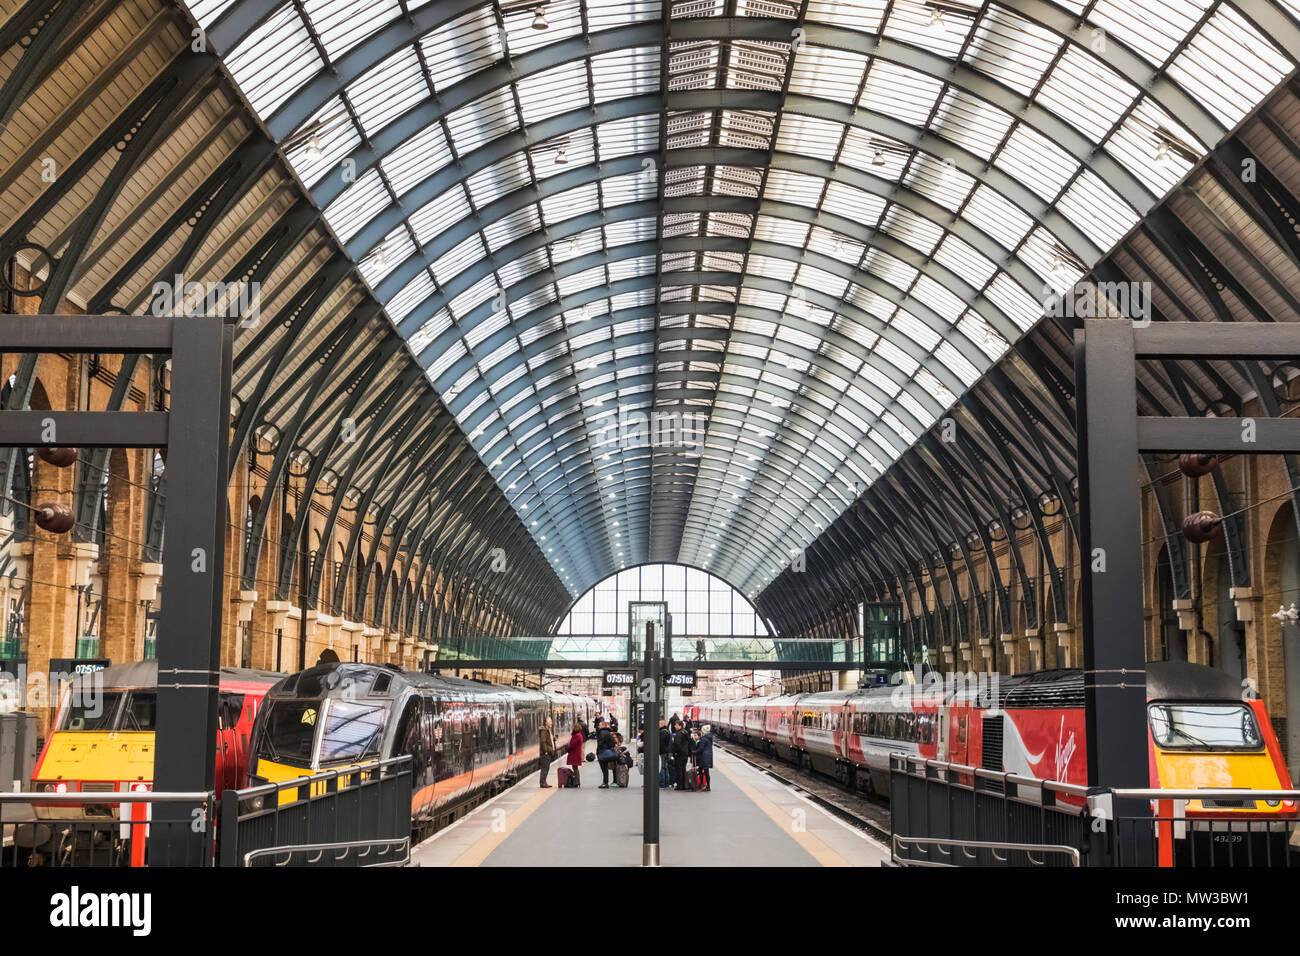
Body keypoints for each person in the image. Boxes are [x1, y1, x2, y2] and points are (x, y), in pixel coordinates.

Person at [672, 718, 694, 790]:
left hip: (679, 754)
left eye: (676, 725)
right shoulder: (685, 732)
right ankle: (685, 785)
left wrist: (675, 752)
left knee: (679, 770)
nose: (674, 726)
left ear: (679, 726)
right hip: (685, 754)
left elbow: (677, 744)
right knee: (683, 769)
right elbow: (690, 742)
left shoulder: (678, 734)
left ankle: (680, 785)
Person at [595, 719, 618, 788]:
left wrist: (599, 751)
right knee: (607, 768)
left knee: (604, 769)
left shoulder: (601, 732)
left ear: (602, 726)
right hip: (609, 752)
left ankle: (605, 783)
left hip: (603, 753)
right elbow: (613, 743)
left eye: (599, 725)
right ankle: (608, 782)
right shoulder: (608, 732)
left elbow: (600, 743)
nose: (598, 726)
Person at [564, 720, 584, 786]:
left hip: (575, 753)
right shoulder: (579, 735)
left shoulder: (577, 736)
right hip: (576, 753)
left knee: (575, 768)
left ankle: (576, 782)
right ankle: (577, 781)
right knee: (575, 767)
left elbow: (572, 745)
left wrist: (567, 748)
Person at [538, 716, 557, 788]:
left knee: (546, 768)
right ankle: (542, 783)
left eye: (551, 721)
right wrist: (546, 751)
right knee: (545, 768)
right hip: (545, 753)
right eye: (550, 721)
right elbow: (543, 742)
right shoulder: (544, 731)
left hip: (548, 751)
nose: (551, 723)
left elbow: (549, 740)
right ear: (546, 723)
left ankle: (544, 782)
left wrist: (554, 738)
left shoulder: (548, 730)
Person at [694, 724, 714, 791]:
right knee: (706, 771)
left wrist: (694, 752)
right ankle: (707, 786)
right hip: (709, 756)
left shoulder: (704, 738)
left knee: (701, 770)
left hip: (703, 757)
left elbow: (701, 748)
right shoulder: (710, 737)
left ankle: (702, 785)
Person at [657, 717, 672, 789]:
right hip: (666, 752)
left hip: (662, 752)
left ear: (661, 724)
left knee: (661, 768)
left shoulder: (662, 732)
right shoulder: (667, 731)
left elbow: (661, 743)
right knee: (665, 767)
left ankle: (662, 783)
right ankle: (666, 783)